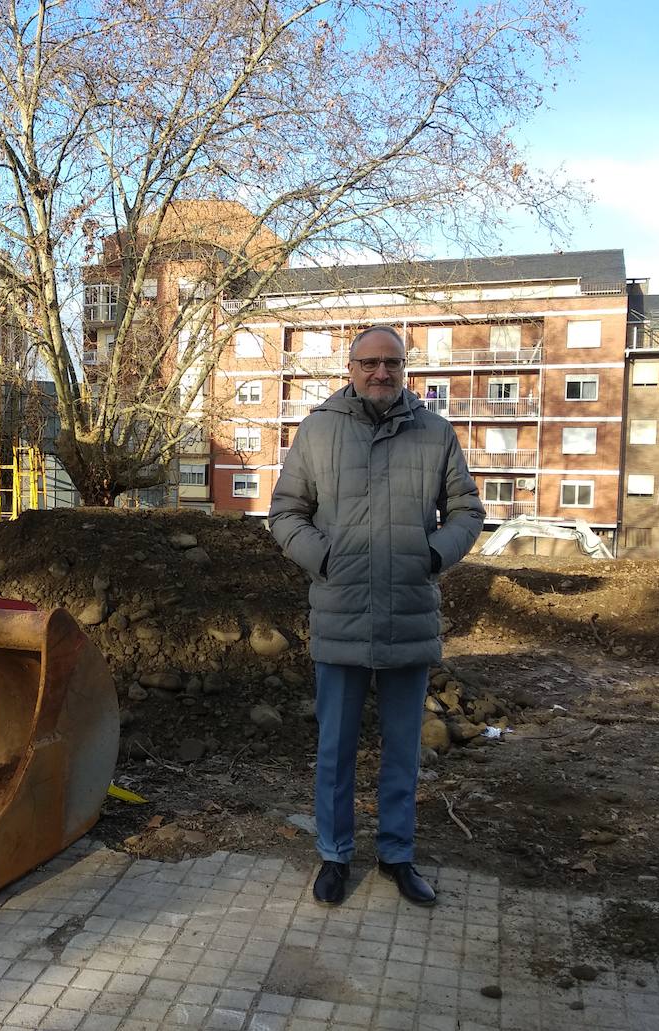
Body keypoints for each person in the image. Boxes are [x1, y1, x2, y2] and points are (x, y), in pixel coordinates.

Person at [269, 325, 484, 907]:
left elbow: (467, 509)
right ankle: (335, 855)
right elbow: (286, 513)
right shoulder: (317, 431)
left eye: (391, 363)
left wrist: (434, 554)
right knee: (335, 749)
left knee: (402, 749)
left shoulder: (435, 433)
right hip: (339, 612)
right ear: (351, 367)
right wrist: (326, 559)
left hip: (408, 616)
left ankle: (397, 855)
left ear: (404, 367)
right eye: (369, 363)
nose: (380, 373)